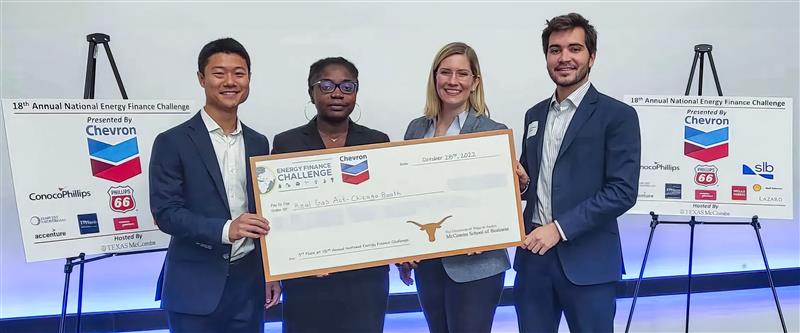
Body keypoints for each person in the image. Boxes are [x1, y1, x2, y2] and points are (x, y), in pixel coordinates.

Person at [513, 13, 641, 332]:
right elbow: (534, 180)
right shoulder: (534, 115)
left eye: (574, 48)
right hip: (533, 261)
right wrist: (523, 185)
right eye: (555, 50)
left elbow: (622, 191)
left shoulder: (618, 116)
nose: (564, 57)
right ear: (546, 57)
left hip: (589, 264)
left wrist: (559, 229)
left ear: (591, 57)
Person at [149, 37, 281, 333]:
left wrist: (271, 272)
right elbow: (166, 213)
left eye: (239, 73)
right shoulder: (172, 141)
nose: (230, 82)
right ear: (201, 79)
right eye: (219, 73)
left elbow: (265, 212)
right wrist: (226, 229)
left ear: (249, 79)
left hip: (249, 286)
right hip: (194, 287)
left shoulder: (258, 142)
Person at [398, 42, 529, 333]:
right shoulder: (416, 129)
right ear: (435, 77)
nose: (453, 81)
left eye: (462, 74)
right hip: (429, 265)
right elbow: (410, 197)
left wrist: (519, 185)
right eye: (445, 72)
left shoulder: (492, 132)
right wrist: (404, 249)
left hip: (477, 266)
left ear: (475, 82)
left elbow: (501, 201)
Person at [273, 57, 390, 333]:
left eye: (347, 86)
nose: (337, 93)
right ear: (311, 91)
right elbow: (279, 213)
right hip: (307, 279)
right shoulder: (287, 143)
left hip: (365, 280)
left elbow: (387, 206)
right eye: (326, 85)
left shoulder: (377, 142)